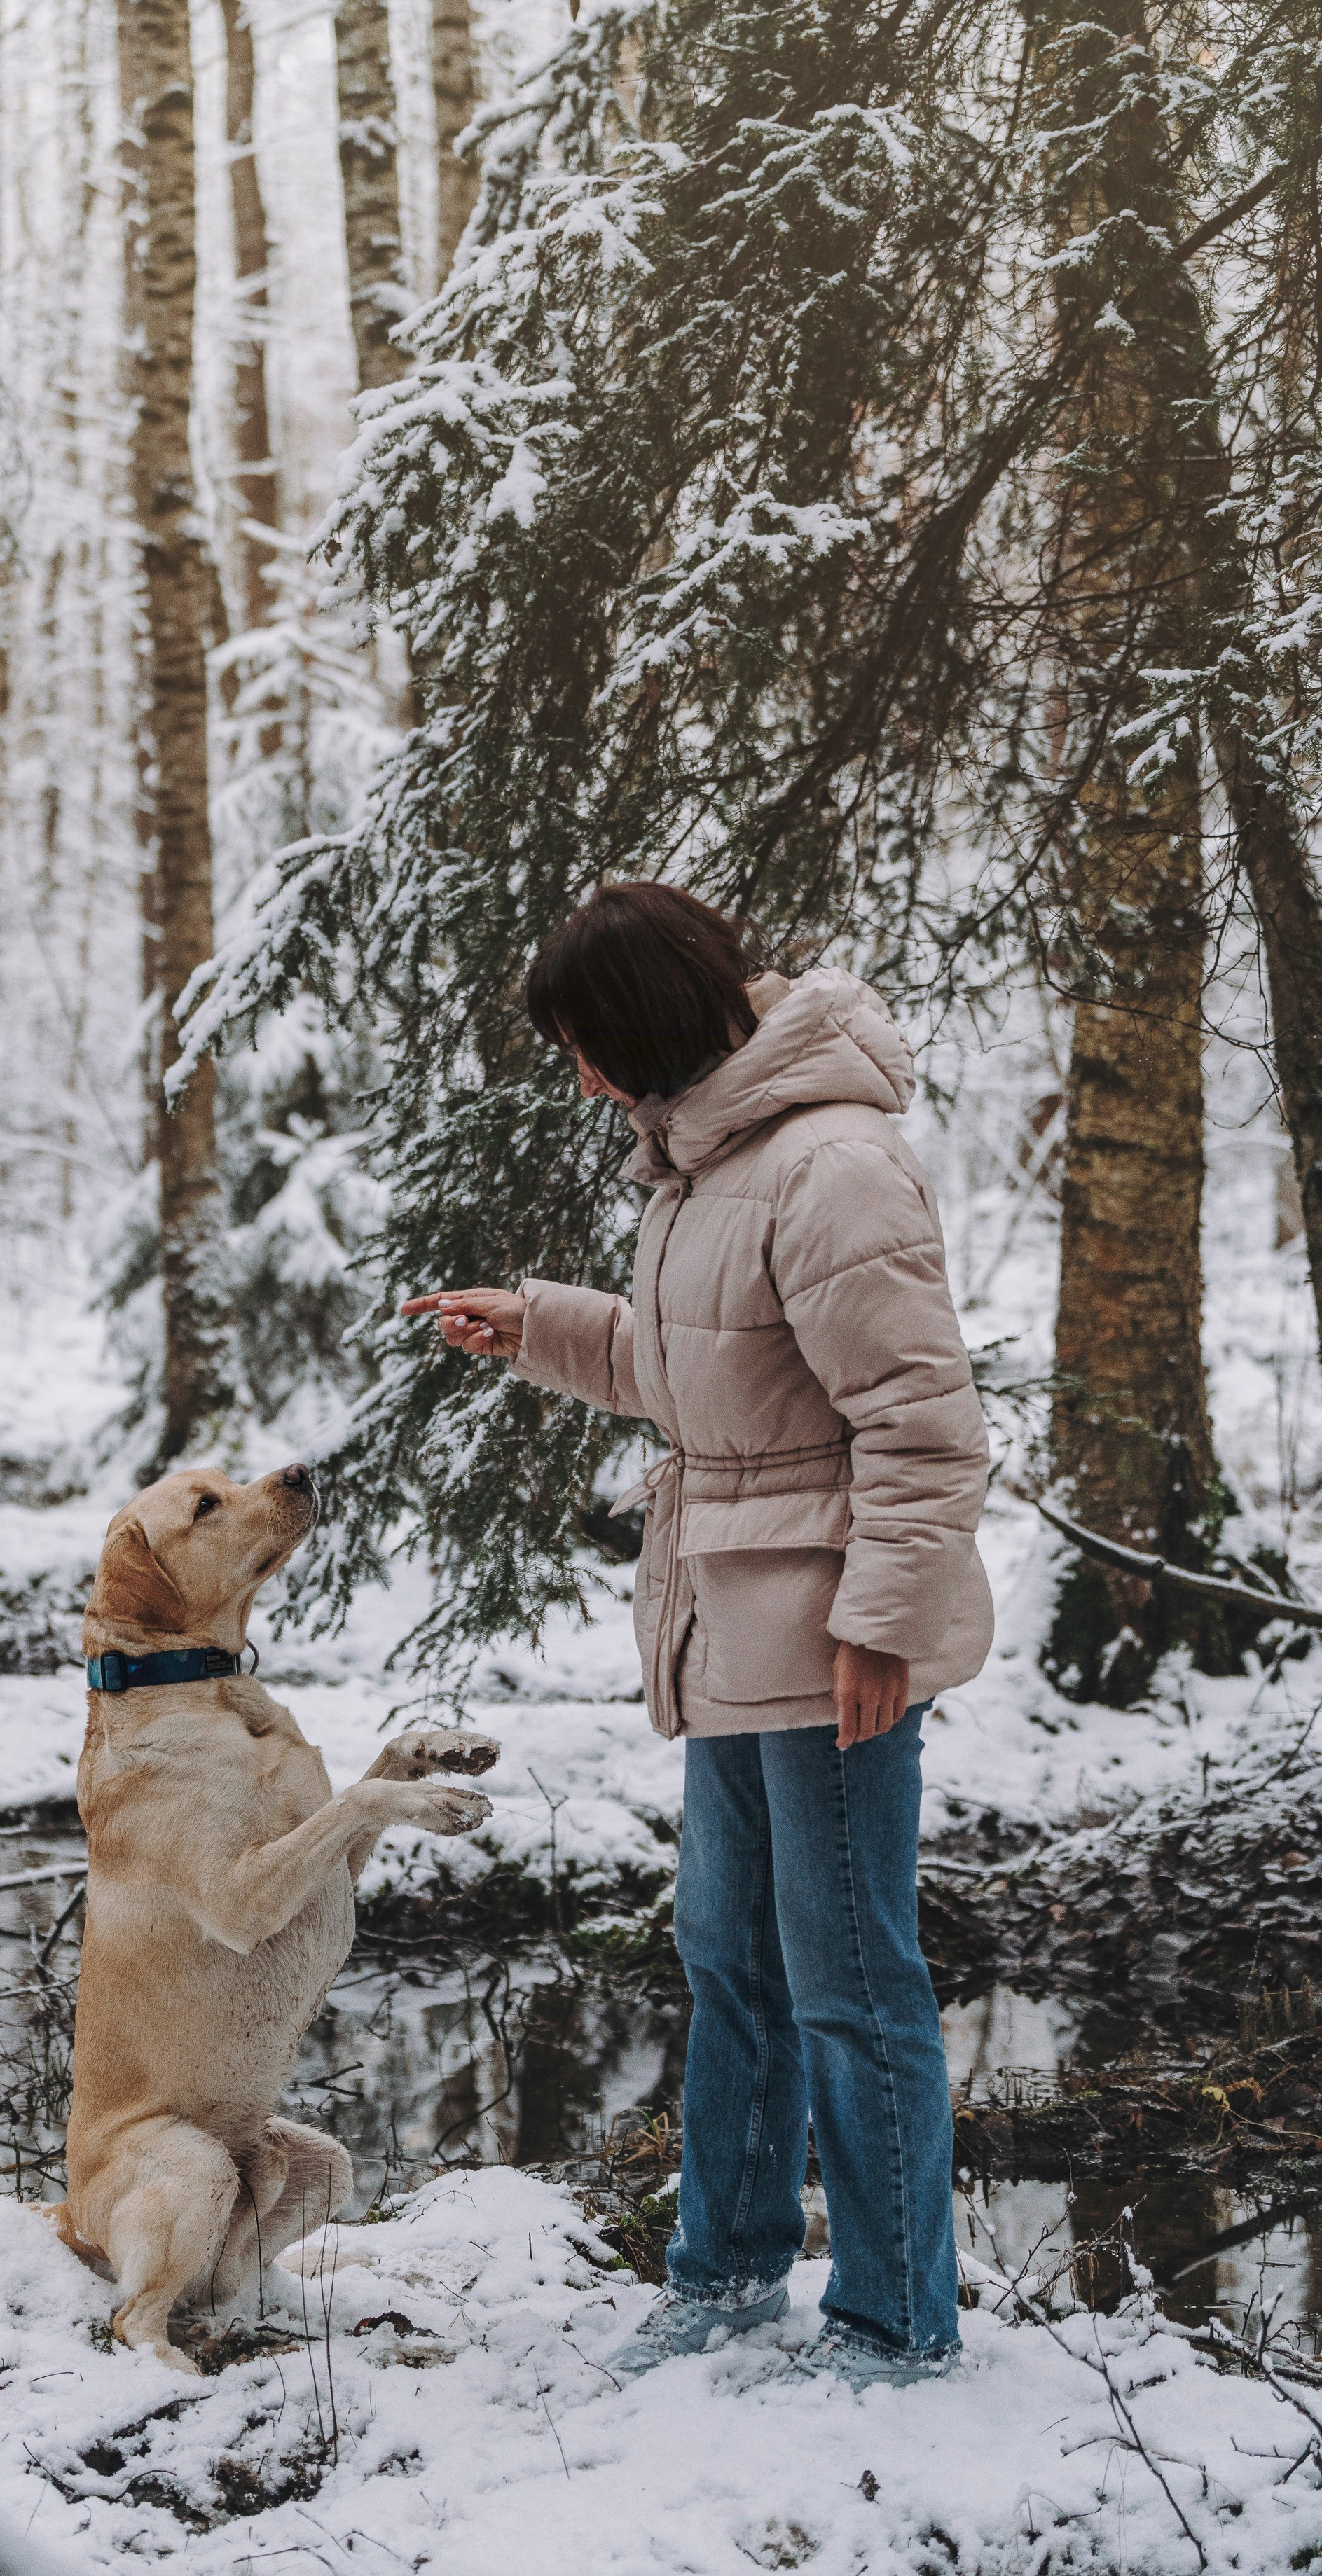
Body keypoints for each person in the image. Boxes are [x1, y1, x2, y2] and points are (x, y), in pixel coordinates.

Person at [400, 882, 992, 2388]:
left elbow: (919, 1426)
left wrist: (881, 1622)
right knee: (726, 1953)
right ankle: (726, 2276)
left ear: (656, 1021)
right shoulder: (706, 1161)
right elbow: (706, 1383)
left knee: (849, 1980)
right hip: (730, 1616)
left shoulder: (832, 1164)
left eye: (588, 1046)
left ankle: (892, 2317)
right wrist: (534, 1321)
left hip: (825, 1631)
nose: (581, 1078)